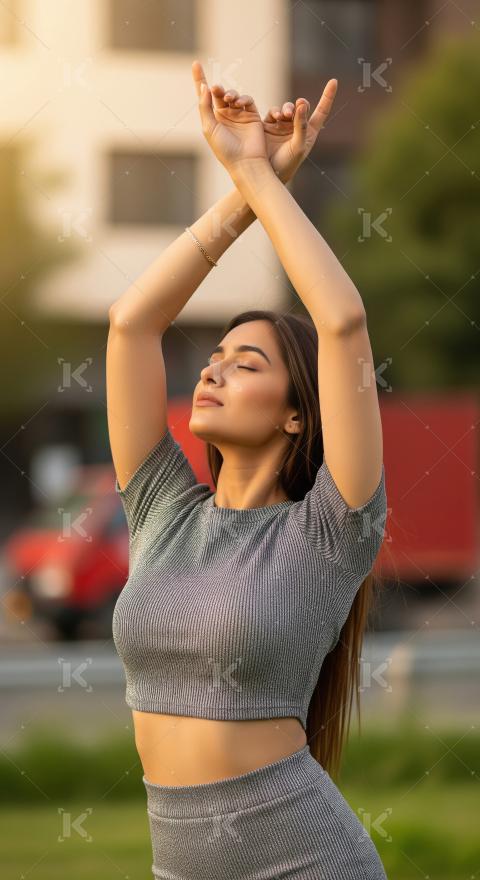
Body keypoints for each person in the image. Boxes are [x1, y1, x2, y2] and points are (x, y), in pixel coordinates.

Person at [107, 59, 388, 880]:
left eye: (247, 363)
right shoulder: (165, 512)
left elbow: (341, 323)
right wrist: (238, 190)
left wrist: (267, 178)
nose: (214, 371)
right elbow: (131, 325)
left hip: (306, 861)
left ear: (298, 412)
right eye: (215, 357)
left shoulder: (331, 530)